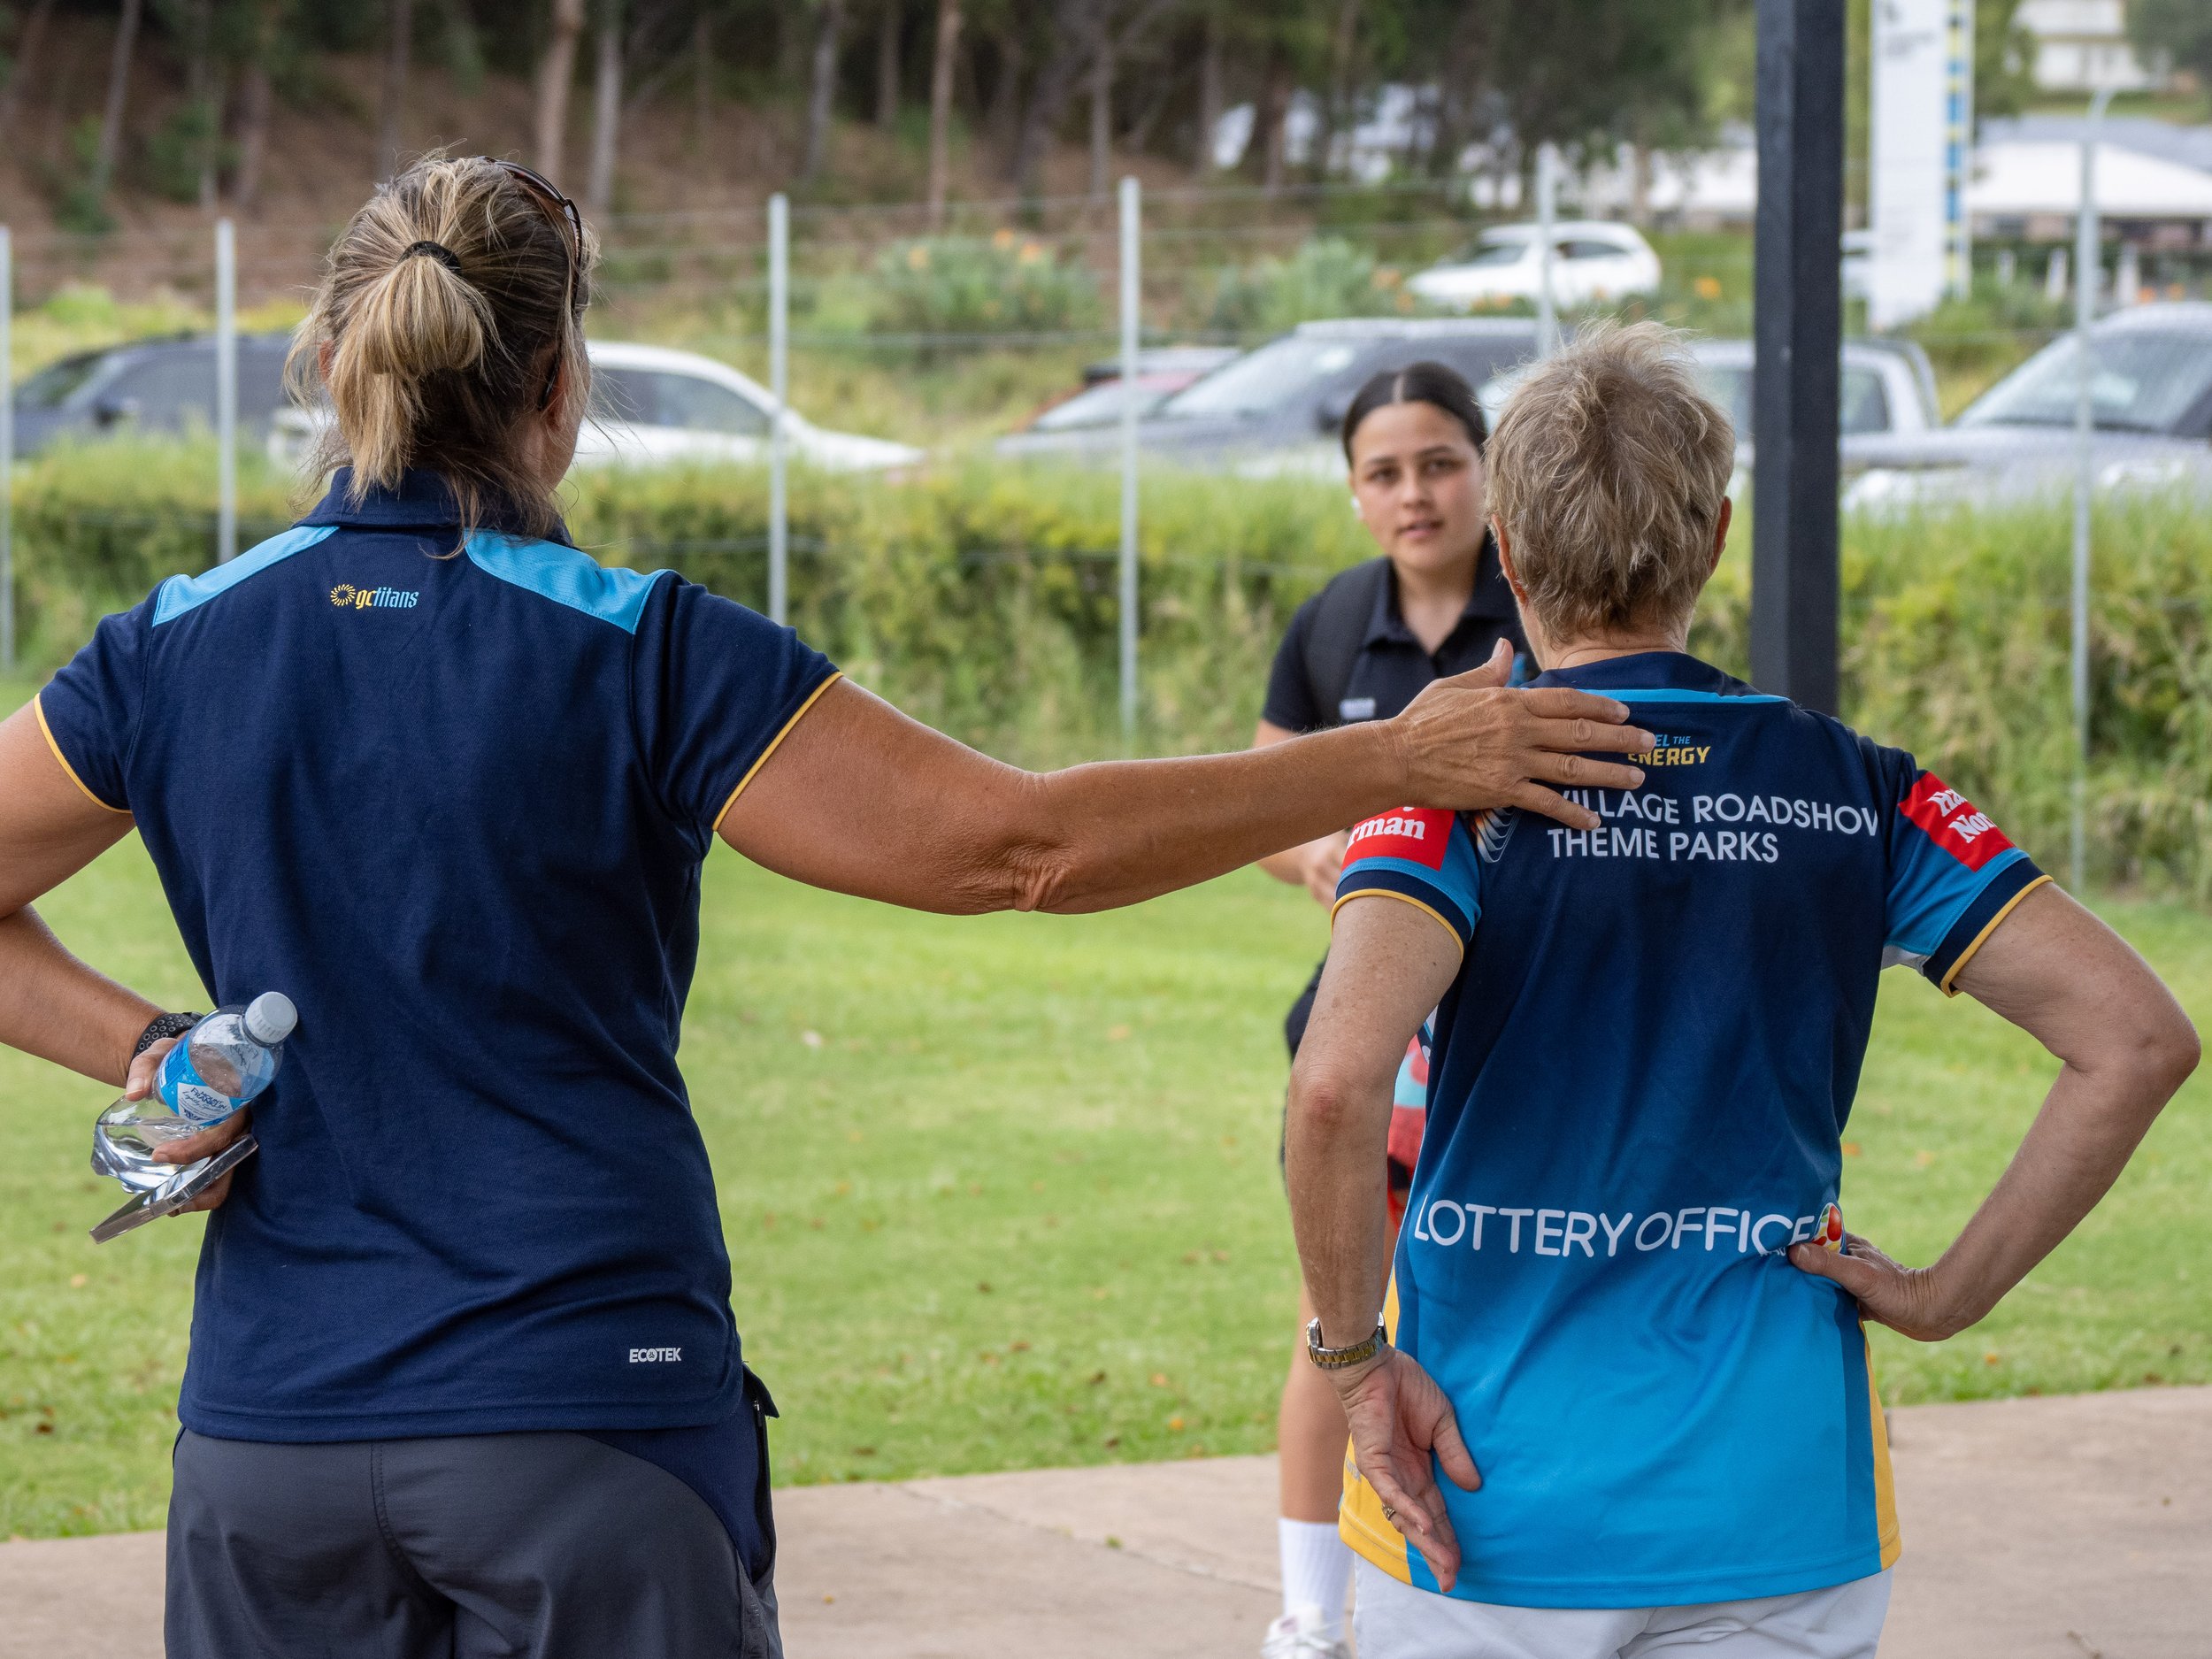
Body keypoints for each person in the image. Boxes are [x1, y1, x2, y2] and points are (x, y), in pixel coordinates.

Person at [0, 157, 1660, 1659]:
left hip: (265, 1456)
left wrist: (149, 1044)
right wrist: (1408, 752)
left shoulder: (171, 644)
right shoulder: (633, 644)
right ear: (560, 390)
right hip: (585, 1427)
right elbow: (1022, 850)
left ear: (337, 370)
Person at [1286, 322, 2198, 1659]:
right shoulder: (1867, 790)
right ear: (1716, 539)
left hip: (1485, 1495)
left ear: (1512, 559)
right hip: (1776, 1504)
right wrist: (1951, 1295)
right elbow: (2137, 1040)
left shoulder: (1453, 786)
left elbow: (1334, 1088)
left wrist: (1356, 1369)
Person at [1251, 360, 1526, 1659]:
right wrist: (1320, 860)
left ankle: (1496, 1576)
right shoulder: (1328, 624)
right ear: (1355, 492)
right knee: (1338, 1316)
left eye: (1438, 463)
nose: (1413, 492)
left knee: (1491, 1303)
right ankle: (1313, 1616)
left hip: (1513, 1029)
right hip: (1363, 1031)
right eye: (1384, 471)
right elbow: (1266, 803)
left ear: (1485, 470)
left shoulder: (1541, 616)